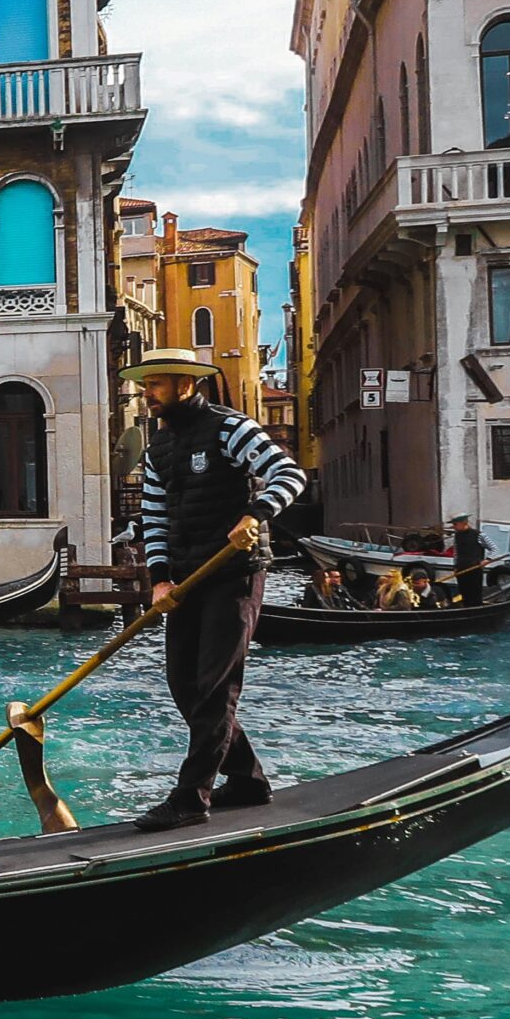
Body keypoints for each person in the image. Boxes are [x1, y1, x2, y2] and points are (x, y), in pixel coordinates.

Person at [126, 348, 309, 831]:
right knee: (183, 684)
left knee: (214, 687)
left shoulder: (231, 428)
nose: (148, 394)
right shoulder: (156, 450)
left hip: (233, 573)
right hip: (186, 580)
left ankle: (191, 796)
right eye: (146, 386)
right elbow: (155, 519)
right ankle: (248, 780)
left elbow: (290, 474)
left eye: (156, 385)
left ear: (185, 384)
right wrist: (160, 579)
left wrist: (256, 514)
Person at [450, 513, 487, 607]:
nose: (453, 527)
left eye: (455, 524)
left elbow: (493, 548)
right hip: (461, 569)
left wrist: (487, 560)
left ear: (464, 523)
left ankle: (476, 610)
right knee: (464, 594)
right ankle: (467, 609)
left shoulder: (478, 534)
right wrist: (455, 566)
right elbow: (456, 553)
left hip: (475, 569)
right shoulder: (457, 536)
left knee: (475, 594)